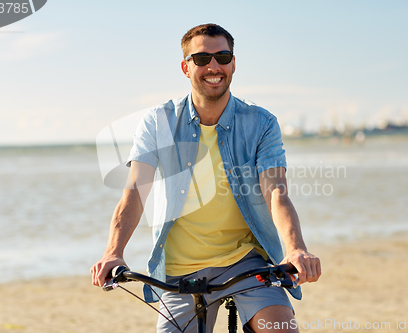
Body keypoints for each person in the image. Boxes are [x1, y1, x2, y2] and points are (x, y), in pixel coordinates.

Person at [91, 23, 321, 333]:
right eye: (201, 59)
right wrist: (113, 252)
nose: (213, 66)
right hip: (179, 272)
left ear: (233, 64)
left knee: (280, 329)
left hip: (247, 264)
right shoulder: (159, 121)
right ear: (186, 68)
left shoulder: (261, 122)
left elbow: (276, 192)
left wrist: (295, 248)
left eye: (223, 56)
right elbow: (135, 189)